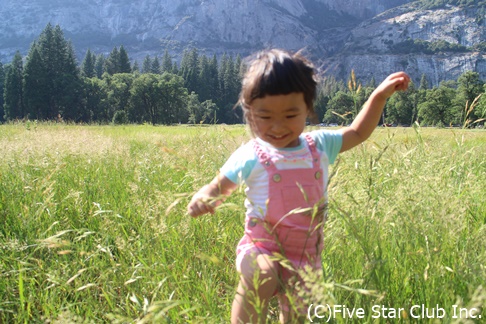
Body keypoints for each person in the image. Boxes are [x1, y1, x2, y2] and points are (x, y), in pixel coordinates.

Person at [187, 49, 410, 323]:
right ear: (249, 112)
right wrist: (205, 197)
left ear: (308, 108)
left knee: (297, 314)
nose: (278, 126)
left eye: (291, 115)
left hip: (306, 255)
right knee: (263, 274)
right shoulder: (251, 154)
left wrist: (379, 96)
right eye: (265, 117)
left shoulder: (320, 145)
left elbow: (358, 132)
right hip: (261, 246)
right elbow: (219, 186)